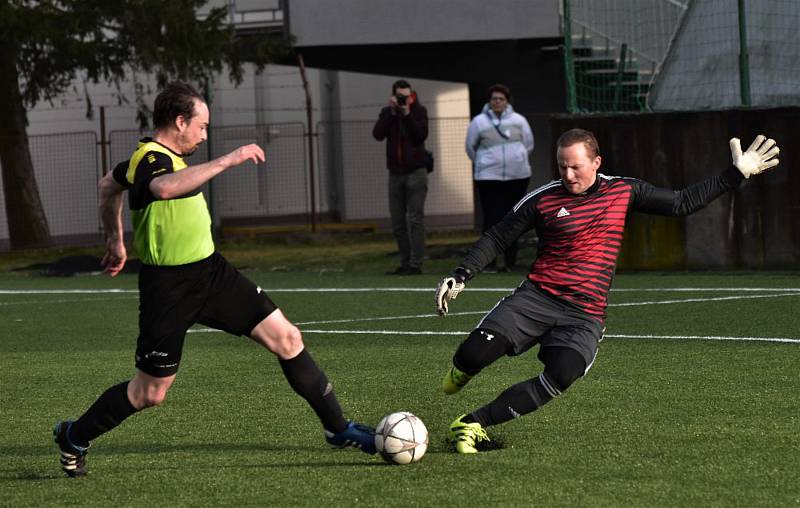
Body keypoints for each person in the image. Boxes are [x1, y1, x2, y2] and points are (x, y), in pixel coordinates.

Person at [53, 81, 376, 478]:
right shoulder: (150, 158)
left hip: (211, 273)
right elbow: (165, 188)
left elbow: (107, 186)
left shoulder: (152, 159)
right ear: (180, 121)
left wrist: (115, 241)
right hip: (168, 289)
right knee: (149, 393)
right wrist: (231, 158)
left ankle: (337, 428)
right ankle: (74, 437)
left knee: (287, 338)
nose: (204, 135)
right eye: (202, 127)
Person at [434, 128, 780, 454]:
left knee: (563, 372)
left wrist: (734, 174)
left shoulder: (623, 191)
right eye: (562, 166)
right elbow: (497, 236)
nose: (568, 175)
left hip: (584, 314)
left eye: (576, 167)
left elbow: (681, 203)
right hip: (536, 299)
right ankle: (463, 368)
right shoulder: (544, 200)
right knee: (474, 356)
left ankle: (472, 425)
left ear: (597, 163)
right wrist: (461, 275)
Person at [466, 84, 534, 272]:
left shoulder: (519, 120)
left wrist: (516, 160)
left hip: (517, 177)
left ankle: (511, 262)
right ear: (489, 101)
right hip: (488, 178)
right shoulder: (478, 122)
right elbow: (470, 147)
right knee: (491, 219)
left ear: (507, 101)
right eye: (494, 99)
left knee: (514, 217)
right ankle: (489, 262)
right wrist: (484, 163)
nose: (497, 102)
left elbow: (528, 144)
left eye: (501, 99)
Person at [372, 79, 430, 275]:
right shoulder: (388, 113)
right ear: (393, 95)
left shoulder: (419, 111)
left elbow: (420, 136)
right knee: (398, 221)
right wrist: (391, 112)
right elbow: (378, 134)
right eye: (399, 96)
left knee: (415, 219)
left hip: (416, 172)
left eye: (405, 96)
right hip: (395, 174)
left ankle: (416, 264)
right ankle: (404, 262)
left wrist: (406, 114)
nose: (403, 100)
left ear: (411, 95)